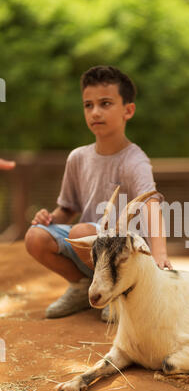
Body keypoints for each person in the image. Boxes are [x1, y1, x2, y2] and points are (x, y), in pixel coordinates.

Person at [25, 65, 172, 320]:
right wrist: (48, 220)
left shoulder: (135, 160)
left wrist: (160, 257)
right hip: (89, 246)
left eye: (105, 104)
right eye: (88, 105)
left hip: (124, 253)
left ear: (128, 110)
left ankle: (118, 292)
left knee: (82, 231)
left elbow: (150, 204)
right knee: (35, 237)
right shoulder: (78, 158)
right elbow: (68, 208)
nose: (95, 112)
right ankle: (83, 287)